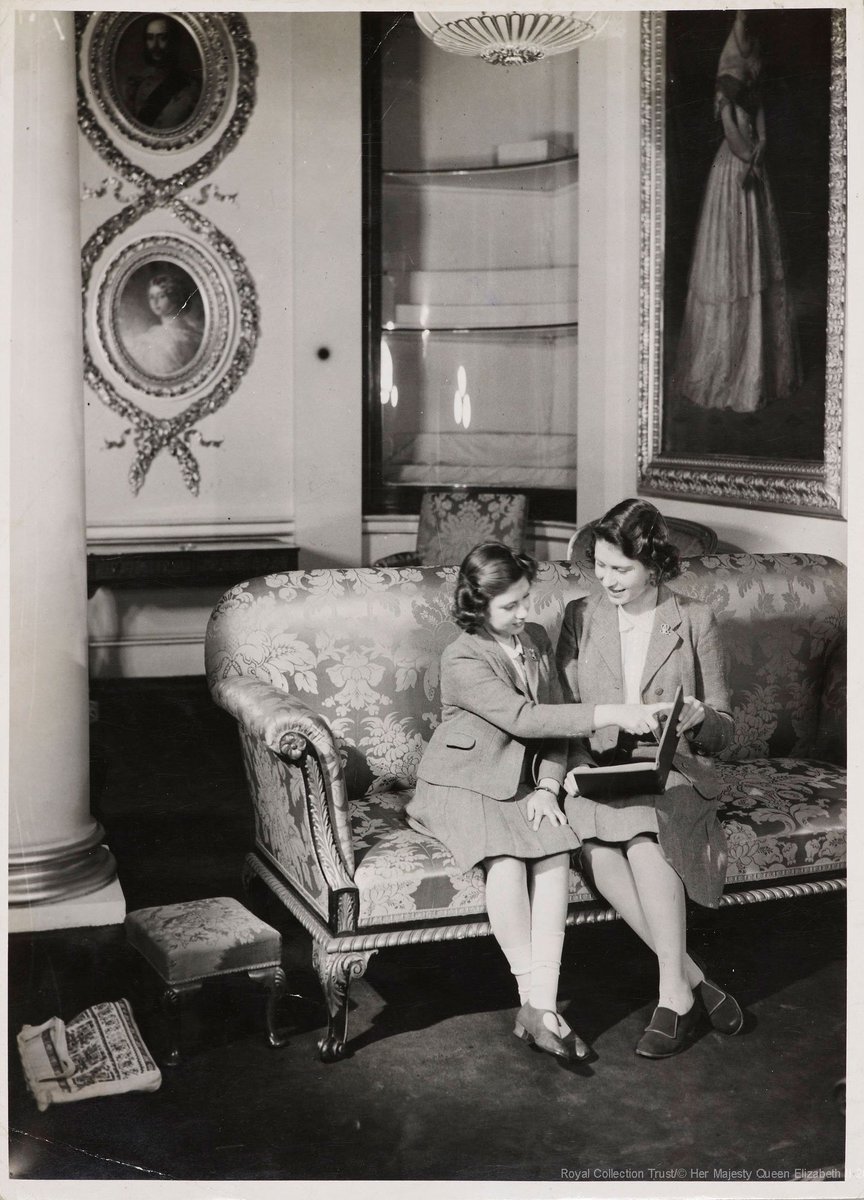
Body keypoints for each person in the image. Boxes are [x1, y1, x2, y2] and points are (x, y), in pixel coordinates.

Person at [407, 542, 670, 1063]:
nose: (525, 613)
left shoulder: (536, 638)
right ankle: (537, 1005)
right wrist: (614, 711)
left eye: (526, 599)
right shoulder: (461, 655)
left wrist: (549, 787)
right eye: (510, 606)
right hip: (460, 781)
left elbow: (555, 733)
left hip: (521, 781)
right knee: (505, 860)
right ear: (476, 606)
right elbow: (525, 719)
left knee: (554, 851)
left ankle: (541, 1007)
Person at [556, 499, 744, 1058]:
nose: (606, 580)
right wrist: (571, 771)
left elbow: (725, 729)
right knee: (597, 849)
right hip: (599, 768)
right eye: (600, 565)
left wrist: (699, 718)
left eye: (621, 569)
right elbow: (565, 714)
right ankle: (691, 981)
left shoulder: (694, 619)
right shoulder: (579, 616)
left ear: (654, 566)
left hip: (672, 768)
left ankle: (671, 994)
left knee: (641, 832)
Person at [671, 10, 798, 413]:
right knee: (729, 266)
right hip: (733, 173)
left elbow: (758, 117)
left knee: (755, 262)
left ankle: (758, 369)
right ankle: (725, 369)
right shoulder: (726, 91)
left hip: (752, 170)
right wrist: (751, 156)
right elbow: (732, 133)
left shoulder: (750, 85)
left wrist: (763, 143)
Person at [123, 15, 201, 130]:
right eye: (150, 38)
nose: (155, 45)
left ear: (173, 41)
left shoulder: (192, 88)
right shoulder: (135, 85)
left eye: (162, 38)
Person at [126, 271, 203, 378]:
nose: (155, 302)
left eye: (161, 296)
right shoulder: (151, 337)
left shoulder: (192, 335)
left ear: (175, 298)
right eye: (151, 297)